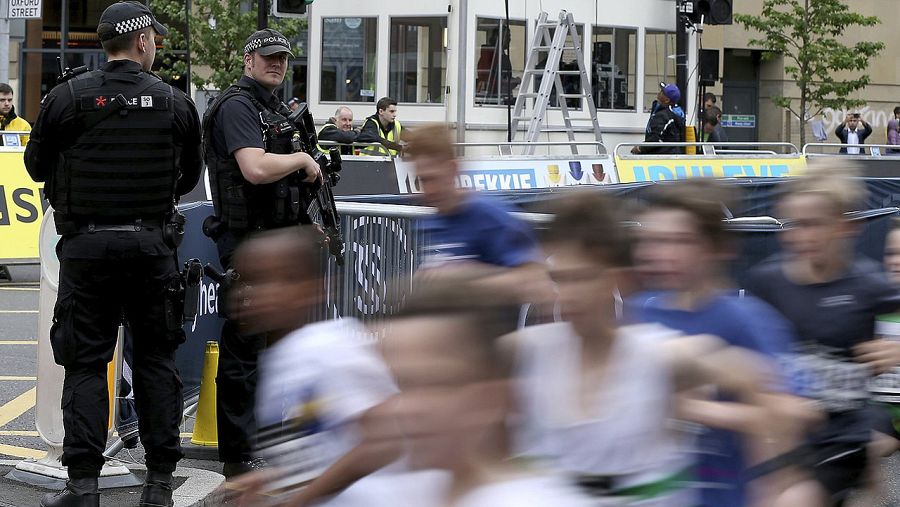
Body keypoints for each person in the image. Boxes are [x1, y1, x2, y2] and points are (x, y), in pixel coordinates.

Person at [23, 2, 203, 506]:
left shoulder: (66, 97)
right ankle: (159, 484)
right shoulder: (174, 102)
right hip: (151, 249)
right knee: (154, 361)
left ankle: (82, 485)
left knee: (85, 364)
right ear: (142, 41)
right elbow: (188, 178)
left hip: (86, 250)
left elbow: (37, 167)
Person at [511, 191, 779, 507]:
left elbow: (769, 397)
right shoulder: (526, 351)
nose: (565, 294)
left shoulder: (667, 353)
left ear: (615, 278)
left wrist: (779, 481)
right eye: (559, 279)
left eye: (580, 278)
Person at [628, 180, 813, 507]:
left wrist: (691, 408)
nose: (661, 253)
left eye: (680, 241)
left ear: (716, 248)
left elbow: (795, 412)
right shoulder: (639, 311)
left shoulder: (747, 319)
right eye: (653, 240)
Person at [201, 27, 323, 479]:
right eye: (269, 57)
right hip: (249, 241)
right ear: (248, 60)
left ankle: (269, 440)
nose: (278, 65)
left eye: (284, 59)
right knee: (245, 348)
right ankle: (238, 454)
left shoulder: (274, 108)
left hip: (278, 238)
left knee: (279, 345)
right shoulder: (237, 105)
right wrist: (301, 162)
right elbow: (253, 168)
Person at [744, 163, 900, 506]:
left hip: (842, 438)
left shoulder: (869, 284)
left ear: (848, 226)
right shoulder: (767, 281)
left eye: (814, 225)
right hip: (784, 437)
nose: (800, 236)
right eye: (794, 224)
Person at [229, 227, 403, 507]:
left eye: (271, 280)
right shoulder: (282, 356)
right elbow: (324, 446)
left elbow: (384, 442)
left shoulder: (331, 347)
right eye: (247, 280)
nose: (252, 293)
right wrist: (276, 479)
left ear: (313, 288)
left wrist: (297, 500)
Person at [384, 279, 595, 506]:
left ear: (496, 395)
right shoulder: (400, 494)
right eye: (401, 384)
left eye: (438, 384)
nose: (408, 408)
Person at [404, 124, 550, 305]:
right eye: (421, 180)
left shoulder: (489, 215)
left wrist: (465, 278)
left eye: (432, 178)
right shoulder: (430, 223)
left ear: (453, 169)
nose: (428, 190)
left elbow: (535, 279)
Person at [631, 82, 685, 155]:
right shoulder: (668, 112)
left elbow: (655, 138)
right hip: (669, 154)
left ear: (667, 100)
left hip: (662, 156)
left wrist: (640, 148)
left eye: (662, 92)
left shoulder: (664, 115)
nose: (659, 93)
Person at [0, 82, 31, 146]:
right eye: (2, 100)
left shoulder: (24, 126)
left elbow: (29, 152)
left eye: (9, 100)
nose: (7, 104)